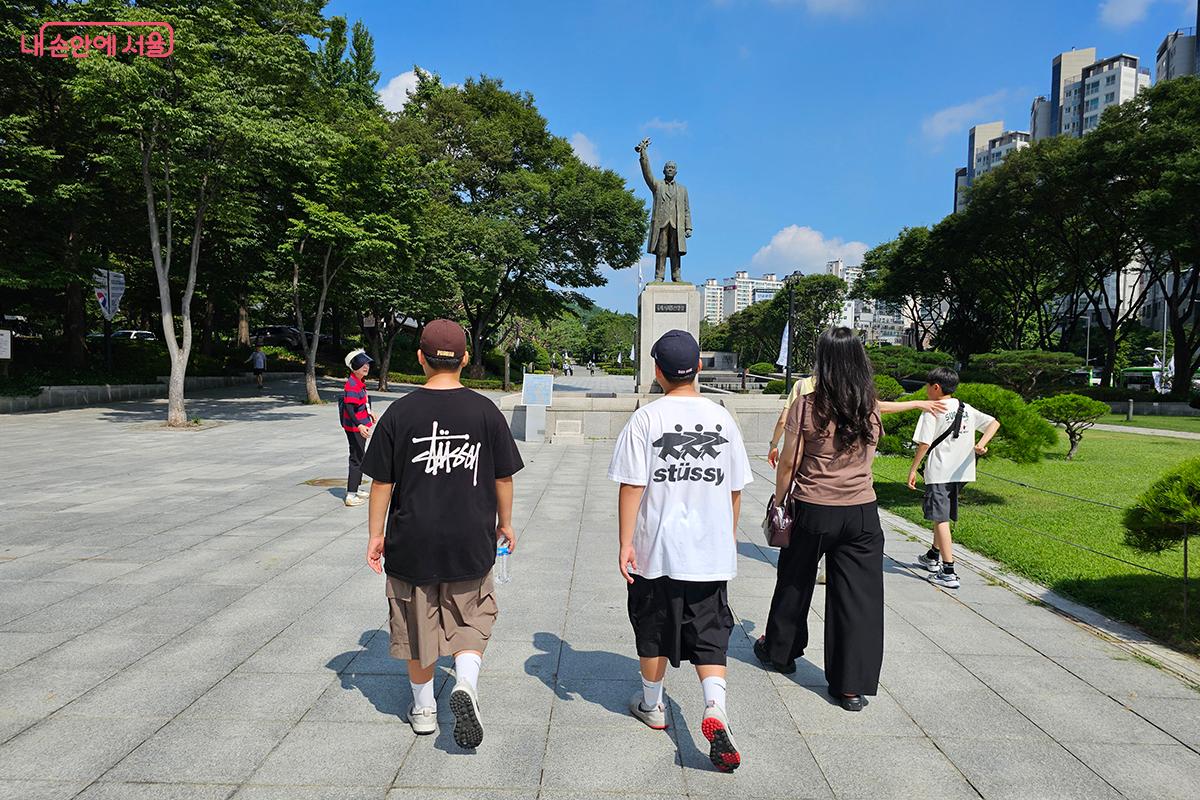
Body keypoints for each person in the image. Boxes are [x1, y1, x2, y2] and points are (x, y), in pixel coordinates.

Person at [755, 328, 945, 712]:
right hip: (861, 512)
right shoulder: (868, 407)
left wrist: (780, 501)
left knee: (795, 579)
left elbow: (790, 461)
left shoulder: (807, 405)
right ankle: (850, 686)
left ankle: (781, 651)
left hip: (812, 506)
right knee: (858, 598)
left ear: (822, 360)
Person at [361, 319, 524, 747]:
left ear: (420, 358)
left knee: (419, 626)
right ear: (466, 360)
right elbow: (503, 476)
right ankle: (465, 682)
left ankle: (424, 709)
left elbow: (381, 482)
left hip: (412, 540)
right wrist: (505, 522)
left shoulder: (400, 412)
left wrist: (375, 533)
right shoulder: (485, 410)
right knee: (473, 615)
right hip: (470, 537)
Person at [608, 329, 751, 772]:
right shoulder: (722, 419)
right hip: (708, 552)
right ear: (700, 368)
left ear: (657, 371)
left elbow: (633, 485)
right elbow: (734, 489)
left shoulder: (646, 419)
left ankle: (653, 705)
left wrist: (625, 543)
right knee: (710, 631)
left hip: (658, 551)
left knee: (653, 626)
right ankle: (714, 708)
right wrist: (725, 537)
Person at [907, 367, 1001, 589]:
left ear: (936, 387)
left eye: (927, 386)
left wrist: (913, 468)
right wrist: (981, 443)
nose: (926, 391)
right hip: (961, 471)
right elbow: (993, 423)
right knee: (944, 513)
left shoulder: (931, 410)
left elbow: (924, 443)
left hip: (939, 470)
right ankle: (932, 555)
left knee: (940, 518)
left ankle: (948, 570)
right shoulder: (965, 407)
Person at [340, 349, 375, 508]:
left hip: (360, 426)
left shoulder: (359, 382)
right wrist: (360, 425)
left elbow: (361, 403)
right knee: (356, 458)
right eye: (362, 364)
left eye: (367, 364)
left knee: (360, 457)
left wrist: (369, 413)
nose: (366, 367)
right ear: (354, 367)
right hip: (355, 429)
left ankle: (356, 488)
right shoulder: (352, 384)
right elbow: (349, 407)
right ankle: (351, 494)